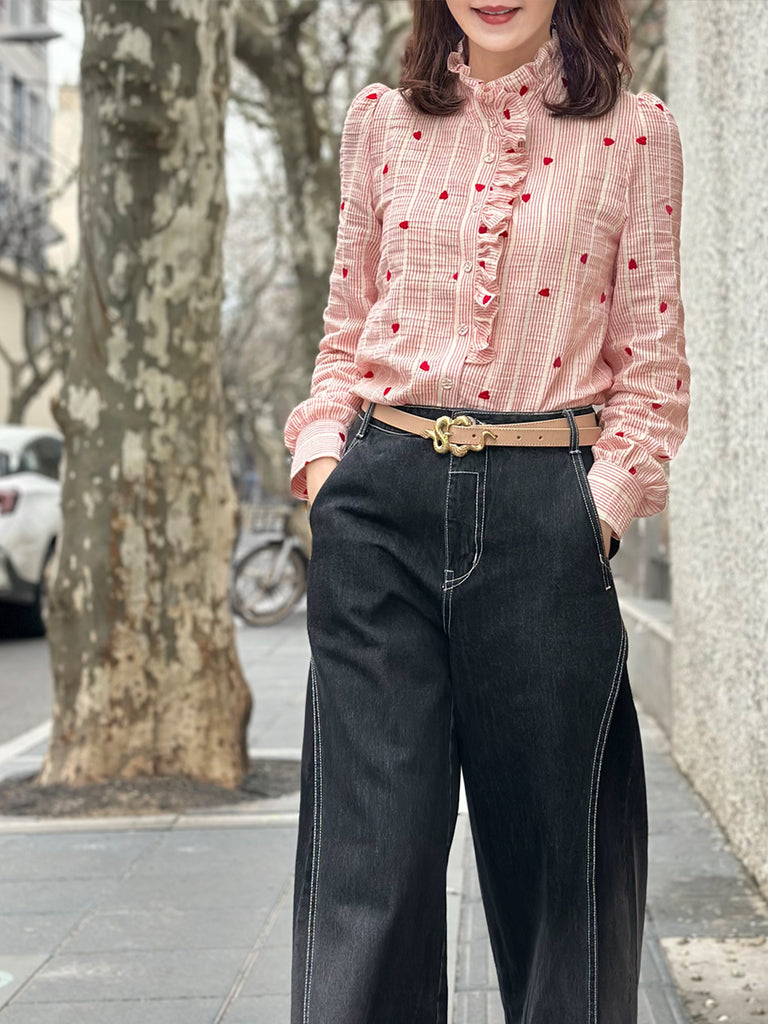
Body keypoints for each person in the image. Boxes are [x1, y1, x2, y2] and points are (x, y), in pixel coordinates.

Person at [283, 0, 690, 1020]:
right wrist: (326, 469)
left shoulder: (636, 133)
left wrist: (590, 515)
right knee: (371, 877)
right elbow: (344, 329)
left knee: (566, 881)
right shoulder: (378, 120)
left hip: (546, 514)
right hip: (378, 505)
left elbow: (652, 373)